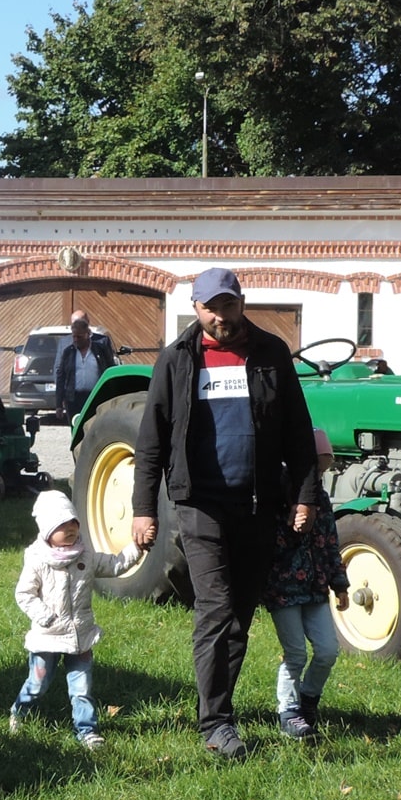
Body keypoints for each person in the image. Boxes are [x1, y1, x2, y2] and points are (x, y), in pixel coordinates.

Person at [131, 268, 321, 761]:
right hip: (200, 504)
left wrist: (304, 496)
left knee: (238, 616)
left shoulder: (271, 353)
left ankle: (218, 706)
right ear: (195, 308)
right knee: (214, 610)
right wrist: (142, 509)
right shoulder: (176, 360)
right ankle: (215, 723)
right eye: (210, 307)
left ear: (242, 301)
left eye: (228, 305)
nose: (220, 316)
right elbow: (151, 441)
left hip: (258, 504)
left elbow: (299, 431)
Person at [9, 490, 141, 750]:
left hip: (80, 636)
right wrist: (44, 616)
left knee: (81, 689)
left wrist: (138, 547)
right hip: (47, 637)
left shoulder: (86, 556)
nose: (69, 529)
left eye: (73, 522)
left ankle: (86, 731)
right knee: (38, 683)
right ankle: (19, 711)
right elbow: (24, 594)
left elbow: (115, 565)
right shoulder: (37, 559)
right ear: (47, 530)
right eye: (61, 525)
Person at [264, 429, 349, 740]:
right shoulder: (276, 495)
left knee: (327, 650)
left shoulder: (321, 500)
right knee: (296, 653)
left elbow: (329, 541)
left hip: (316, 588)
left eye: (325, 469)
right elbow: (267, 542)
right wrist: (290, 524)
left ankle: (308, 700)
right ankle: (288, 711)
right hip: (283, 588)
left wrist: (339, 582)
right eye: (317, 468)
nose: (320, 476)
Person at [54, 310, 117, 422]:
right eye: (74, 337)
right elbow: (60, 376)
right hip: (73, 399)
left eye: (79, 337)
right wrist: (59, 403)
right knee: (76, 429)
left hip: (95, 397)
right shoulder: (68, 352)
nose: (76, 340)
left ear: (88, 334)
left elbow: (110, 370)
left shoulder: (100, 350)